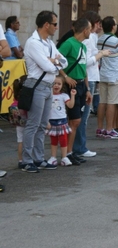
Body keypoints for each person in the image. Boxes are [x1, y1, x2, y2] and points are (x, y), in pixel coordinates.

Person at [21, 10, 68, 173]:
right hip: (37, 85)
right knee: (33, 124)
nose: (56, 27)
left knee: (42, 125)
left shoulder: (48, 43)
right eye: (55, 24)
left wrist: (53, 60)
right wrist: (54, 61)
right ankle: (27, 160)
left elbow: (64, 61)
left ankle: (39, 158)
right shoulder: (33, 42)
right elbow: (47, 66)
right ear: (46, 25)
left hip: (47, 86)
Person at [73, 11, 110, 158]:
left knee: (84, 116)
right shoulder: (87, 40)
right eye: (98, 23)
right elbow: (86, 61)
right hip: (88, 77)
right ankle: (79, 147)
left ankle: (79, 146)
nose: (100, 26)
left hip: (91, 77)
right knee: (83, 115)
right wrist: (100, 55)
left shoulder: (92, 38)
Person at [58, 17, 92, 165]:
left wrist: (88, 89)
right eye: (90, 29)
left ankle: (70, 152)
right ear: (85, 30)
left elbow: (84, 69)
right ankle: (68, 153)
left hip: (81, 86)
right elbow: (56, 60)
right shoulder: (69, 43)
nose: (90, 32)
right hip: (71, 85)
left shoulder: (83, 47)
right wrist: (65, 77)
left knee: (76, 121)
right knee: (75, 120)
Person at [96, 16, 118, 139]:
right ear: (112, 27)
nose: (116, 26)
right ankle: (109, 129)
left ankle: (100, 128)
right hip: (115, 75)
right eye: (115, 24)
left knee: (102, 102)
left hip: (103, 73)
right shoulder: (117, 41)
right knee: (112, 102)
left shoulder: (99, 39)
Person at [47, 76, 76, 166]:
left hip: (62, 121)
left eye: (59, 84)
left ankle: (64, 157)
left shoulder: (64, 96)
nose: (56, 85)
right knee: (53, 140)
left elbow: (70, 105)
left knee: (63, 139)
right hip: (51, 121)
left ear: (62, 85)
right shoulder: (48, 95)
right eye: (54, 83)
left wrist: (72, 95)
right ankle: (53, 157)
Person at [9, 75, 28, 168]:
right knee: (29, 141)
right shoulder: (25, 95)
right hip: (27, 120)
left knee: (20, 141)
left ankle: (20, 161)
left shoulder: (17, 95)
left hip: (19, 123)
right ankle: (28, 159)